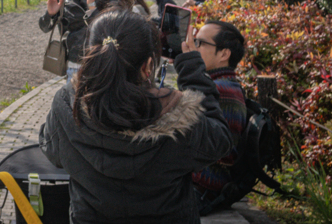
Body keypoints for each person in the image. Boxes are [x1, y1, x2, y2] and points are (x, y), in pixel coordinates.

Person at [39, 11, 233, 224]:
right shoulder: (179, 117)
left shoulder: (68, 104)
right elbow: (220, 141)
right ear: (148, 66)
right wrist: (193, 73)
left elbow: (52, 151)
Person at [191, 20, 248, 212]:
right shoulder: (223, 84)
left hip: (200, 190)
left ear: (224, 54)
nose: (193, 47)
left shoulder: (219, 90)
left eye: (200, 43)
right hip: (202, 186)